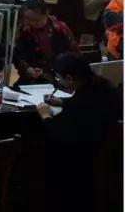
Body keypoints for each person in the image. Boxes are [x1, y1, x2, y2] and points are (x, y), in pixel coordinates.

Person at [35, 53, 120, 211]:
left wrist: (45, 116)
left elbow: (59, 135)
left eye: (59, 78)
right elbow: (86, 104)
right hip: (104, 156)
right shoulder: (103, 88)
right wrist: (63, 102)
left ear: (70, 78)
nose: (59, 82)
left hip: (79, 164)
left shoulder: (77, 106)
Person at [14, 0, 78, 85]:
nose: (32, 23)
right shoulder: (25, 30)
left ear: (47, 13)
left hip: (57, 76)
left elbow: (72, 55)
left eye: (37, 20)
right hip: (31, 76)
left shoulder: (60, 29)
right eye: (29, 20)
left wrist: (46, 71)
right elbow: (19, 54)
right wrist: (27, 68)